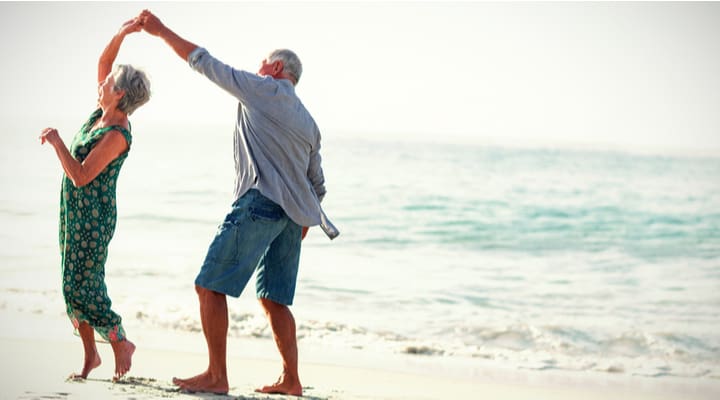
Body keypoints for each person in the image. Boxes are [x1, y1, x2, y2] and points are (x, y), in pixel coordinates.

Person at [138, 9, 336, 396]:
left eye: (263, 62)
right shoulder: (309, 121)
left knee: (208, 287)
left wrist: (160, 30)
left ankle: (216, 375)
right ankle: (291, 380)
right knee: (274, 298)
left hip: (259, 203)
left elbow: (205, 63)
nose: (258, 67)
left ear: (276, 67)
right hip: (292, 219)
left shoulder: (263, 88)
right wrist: (301, 223)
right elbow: (318, 184)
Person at [39, 17, 151, 381]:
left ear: (119, 94)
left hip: (93, 217)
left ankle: (120, 341)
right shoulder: (100, 114)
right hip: (73, 211)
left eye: (108, 83)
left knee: (81, 285)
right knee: (70, 283)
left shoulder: (118, 132)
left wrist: (57, 142)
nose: (101, 82)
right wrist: (122, 33)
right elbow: (104, 64)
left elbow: (82, 175)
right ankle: (91, 356)